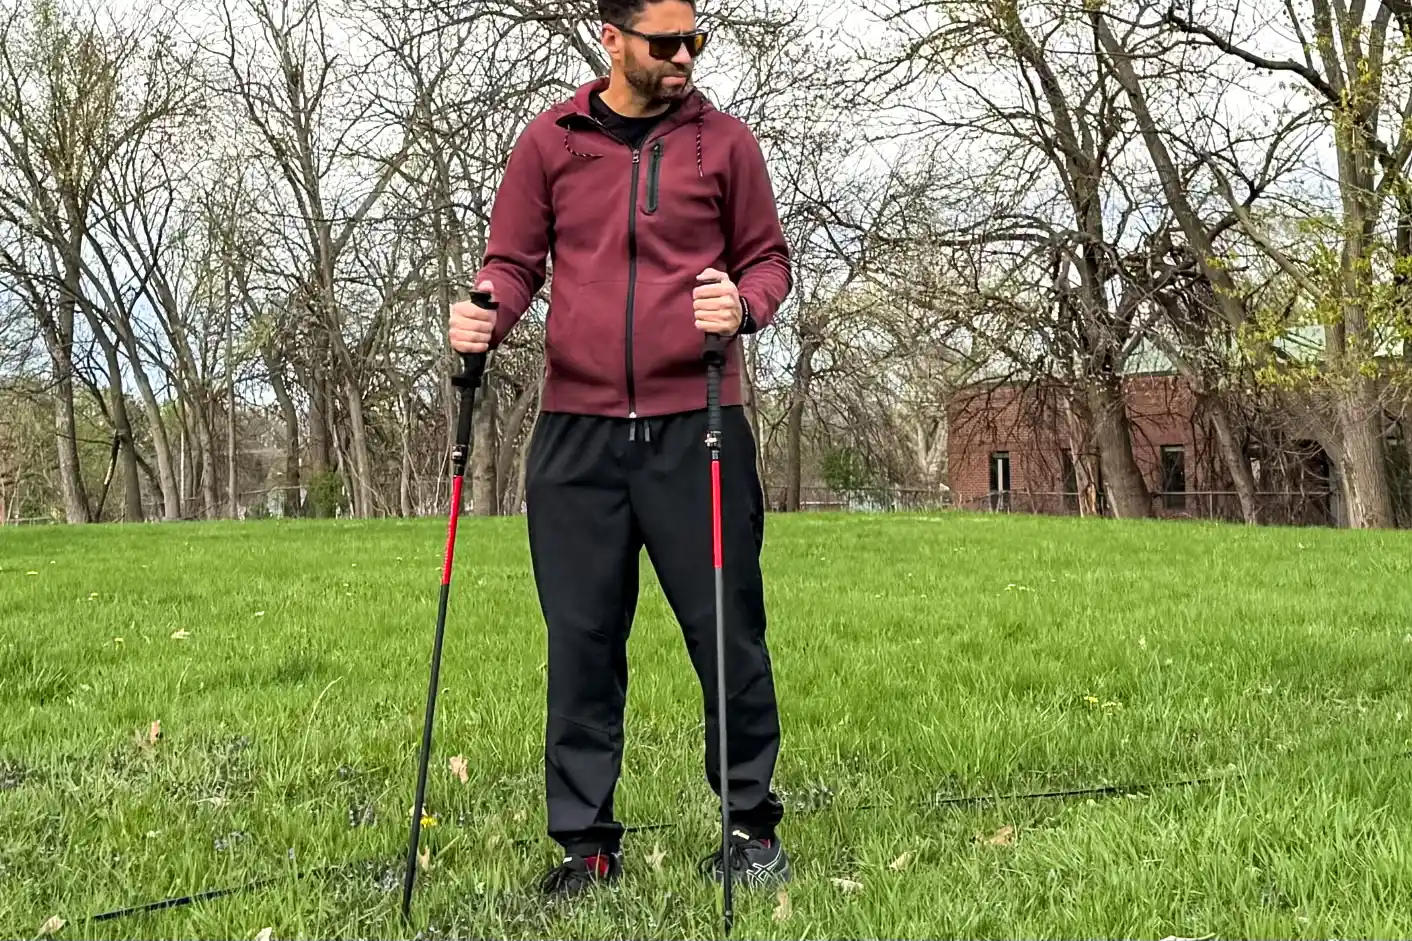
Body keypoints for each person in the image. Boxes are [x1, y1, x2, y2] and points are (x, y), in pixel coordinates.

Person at [447, 0, 793, 899]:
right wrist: (485, 308)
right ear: (612, 40)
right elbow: (513, 264)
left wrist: (744, 306)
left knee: (727, 633)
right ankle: (586, 845)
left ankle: (750, 827)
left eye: (694, 40)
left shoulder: (726, 144)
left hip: (698, 423)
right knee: (582, 642)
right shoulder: (550, 143)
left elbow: (768, 261)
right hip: (577, 434)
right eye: (665, 42)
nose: (684, 56)